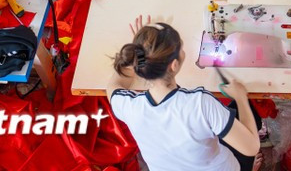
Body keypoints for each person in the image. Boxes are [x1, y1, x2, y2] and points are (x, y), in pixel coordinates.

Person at [107, 17, 261, 171]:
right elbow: (252, 148)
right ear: (174, 65)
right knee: (250, 114)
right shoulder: (200, 103)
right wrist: (241, 98)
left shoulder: (129, 106)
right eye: (180, 48)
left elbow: (113, 85)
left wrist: (140, 55)